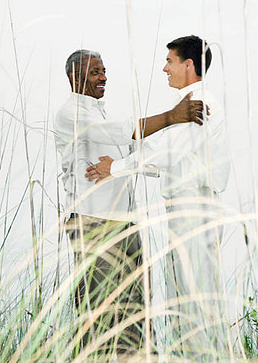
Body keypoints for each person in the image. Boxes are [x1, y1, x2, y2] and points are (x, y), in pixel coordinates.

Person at [54, 48, 208, 360]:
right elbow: (120, 132)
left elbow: (143, 153)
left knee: (136, 311)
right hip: (92, 224)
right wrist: (171, 117)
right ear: (74, 76)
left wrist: (177, 157)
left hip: (126, 226)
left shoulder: (101, 111)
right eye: (95, 72)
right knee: (97, 312)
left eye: (104, 70)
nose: (104, 77)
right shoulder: (70, 114)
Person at [85, 36, 231, 359]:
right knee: (184, 298)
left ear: (188, 65)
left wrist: (117, 168)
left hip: (195, 209)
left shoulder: (198, 104)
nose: (164, 68)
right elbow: (161, 157)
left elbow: (168, 153)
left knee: (196, 301)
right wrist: (123, 153)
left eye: (170, 61)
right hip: (183, 211)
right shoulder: (186, 105)